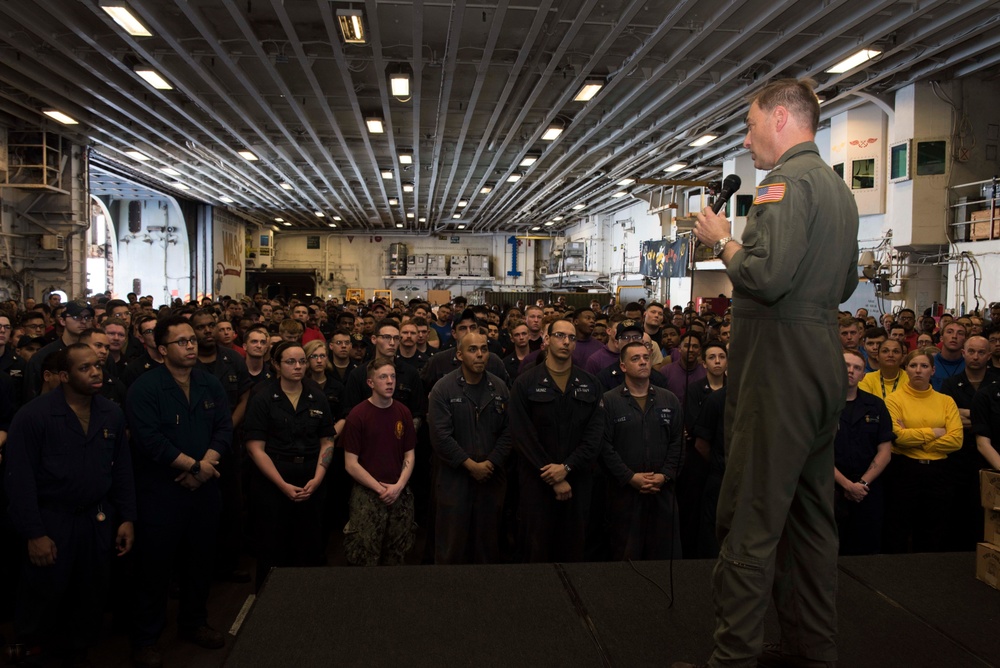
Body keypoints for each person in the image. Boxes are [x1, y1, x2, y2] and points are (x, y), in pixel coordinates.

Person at [680, 78, 860, 668]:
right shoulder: (837, 189)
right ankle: (815, 650)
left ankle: (733, 657)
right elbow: (845, 284)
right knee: (811, 521)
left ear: (781, 118)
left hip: (777, 370)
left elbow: (766, 277)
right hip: (821, 363)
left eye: (752, 125)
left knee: (749, 522)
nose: (748, 138)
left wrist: (723, 242)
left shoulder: (783, 183)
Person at [4, 345, 135, 666]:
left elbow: (121, 470)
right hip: (52, 520)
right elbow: (19, 481)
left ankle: (76, 652)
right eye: (84, 368)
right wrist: (34, 533)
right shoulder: (34, 416)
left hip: (97, 519)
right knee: (45, 597)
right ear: (63, 376)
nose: (95, 373)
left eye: (98, 366)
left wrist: (127, 517)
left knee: (89, 596)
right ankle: (33, 651)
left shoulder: (110, 412)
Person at [126, 316, 233, 667]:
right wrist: (193, 466)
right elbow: (149, 440)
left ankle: (194, 623)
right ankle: (146, 638)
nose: (190, 345)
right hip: (162, 492)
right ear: (161, 349)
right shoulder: (145, 387)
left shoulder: (209, 383)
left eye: (192, 340)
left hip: (203, 491)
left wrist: (204, 468)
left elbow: (223, 429)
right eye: (181, 342)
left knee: (200, 563)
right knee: (154, 569)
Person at [508, 319, 604, 562]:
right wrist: (553, 475)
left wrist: (567, 468)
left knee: (573, 549)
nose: (566, 342)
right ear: (546, 339)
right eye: (560, 335)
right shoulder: (526, 383)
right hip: (537, 481)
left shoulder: (590, 384)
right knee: (536, 549)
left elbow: (594, 436)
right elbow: (522, 436)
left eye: (571, 338)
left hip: (577, 481)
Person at [244, 341, 336, 590]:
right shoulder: (262, 395)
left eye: (301, 361)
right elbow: (255, 447)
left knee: (308, 546)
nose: (298, 367)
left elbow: (327, 440)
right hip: (273, 478)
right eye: (290, 362)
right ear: (276, 364)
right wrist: (282, 485)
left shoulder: (315, 394)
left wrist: (318, 478)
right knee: (272, 547)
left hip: (310, 476)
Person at [427, 332, 511, 564]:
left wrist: (491, 463)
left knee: (487, 547)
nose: (480, 355)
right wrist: (470, 465)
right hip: (455, 478)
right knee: (451, 547)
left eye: (484, 349)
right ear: (459, 355)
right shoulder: (443, 389)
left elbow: (509, 432)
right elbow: (441, 437)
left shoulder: (499, 387)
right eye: (473, 349)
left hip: (491, 477)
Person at [600, 341, 683, 560]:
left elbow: (678, 444)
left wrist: (665, 476)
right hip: (624, 493)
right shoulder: (609, 401)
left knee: (664, 557)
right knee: (625, 556)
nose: (643, 362)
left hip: (662, 492)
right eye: (635, 359)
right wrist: (629, 477)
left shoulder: (669, 399)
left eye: (646, 357)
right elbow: (604, 447)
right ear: (623, 366)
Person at [883, 347, 963, 553]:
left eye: (924, 366)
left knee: (934, 529)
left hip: (939, 472)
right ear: (906, 369)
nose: (918, 370)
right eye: (913, 365)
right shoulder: (893, 400)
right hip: (905, 470)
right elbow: (898, 437)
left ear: (933, 371)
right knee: (899, 527)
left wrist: (914, 436)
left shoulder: (946, 401)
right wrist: (935, 432)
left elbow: (956, 441)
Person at [340, 358, 417, 566]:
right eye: (383, 377)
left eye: (392, 376)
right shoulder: (358, 415)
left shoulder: (403, 412)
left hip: (399, 492)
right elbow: (351, 464)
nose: (390, 381)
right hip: (368, 495)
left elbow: (409, 455)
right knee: (365, 554)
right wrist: (381, 489)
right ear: (370, 383)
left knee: (398, 553)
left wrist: (398, 486)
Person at [939, 335, 996, 550]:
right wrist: (984, 416)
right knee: (958, 511)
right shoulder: (950, 384)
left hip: (989, 457)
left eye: (981, 352)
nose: (976, 356)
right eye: (971, 351)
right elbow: (948, 419)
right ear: (963, 353)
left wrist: (966, 415)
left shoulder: (997, 383)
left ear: (989, 356)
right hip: (958, 458)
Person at [833, 350, 892, 556]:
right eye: (846, 365)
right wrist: (847, 485)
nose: (851, 371)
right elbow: (816, 453)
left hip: (868, 489)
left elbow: (885, 451)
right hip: (831, 489)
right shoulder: (822, 404)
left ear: (863, 375)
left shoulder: (876, 405)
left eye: (857, 367)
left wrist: (862, 484)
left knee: (867, 551)